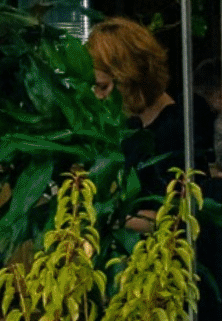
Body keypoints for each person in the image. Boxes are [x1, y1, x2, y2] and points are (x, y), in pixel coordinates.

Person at [89, 17, 215, 212]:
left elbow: (183, 217)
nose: (99, 96)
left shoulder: (175, 134)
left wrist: (108, 219)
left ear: (128, 77)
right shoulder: (133, 128)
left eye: (103, 87)